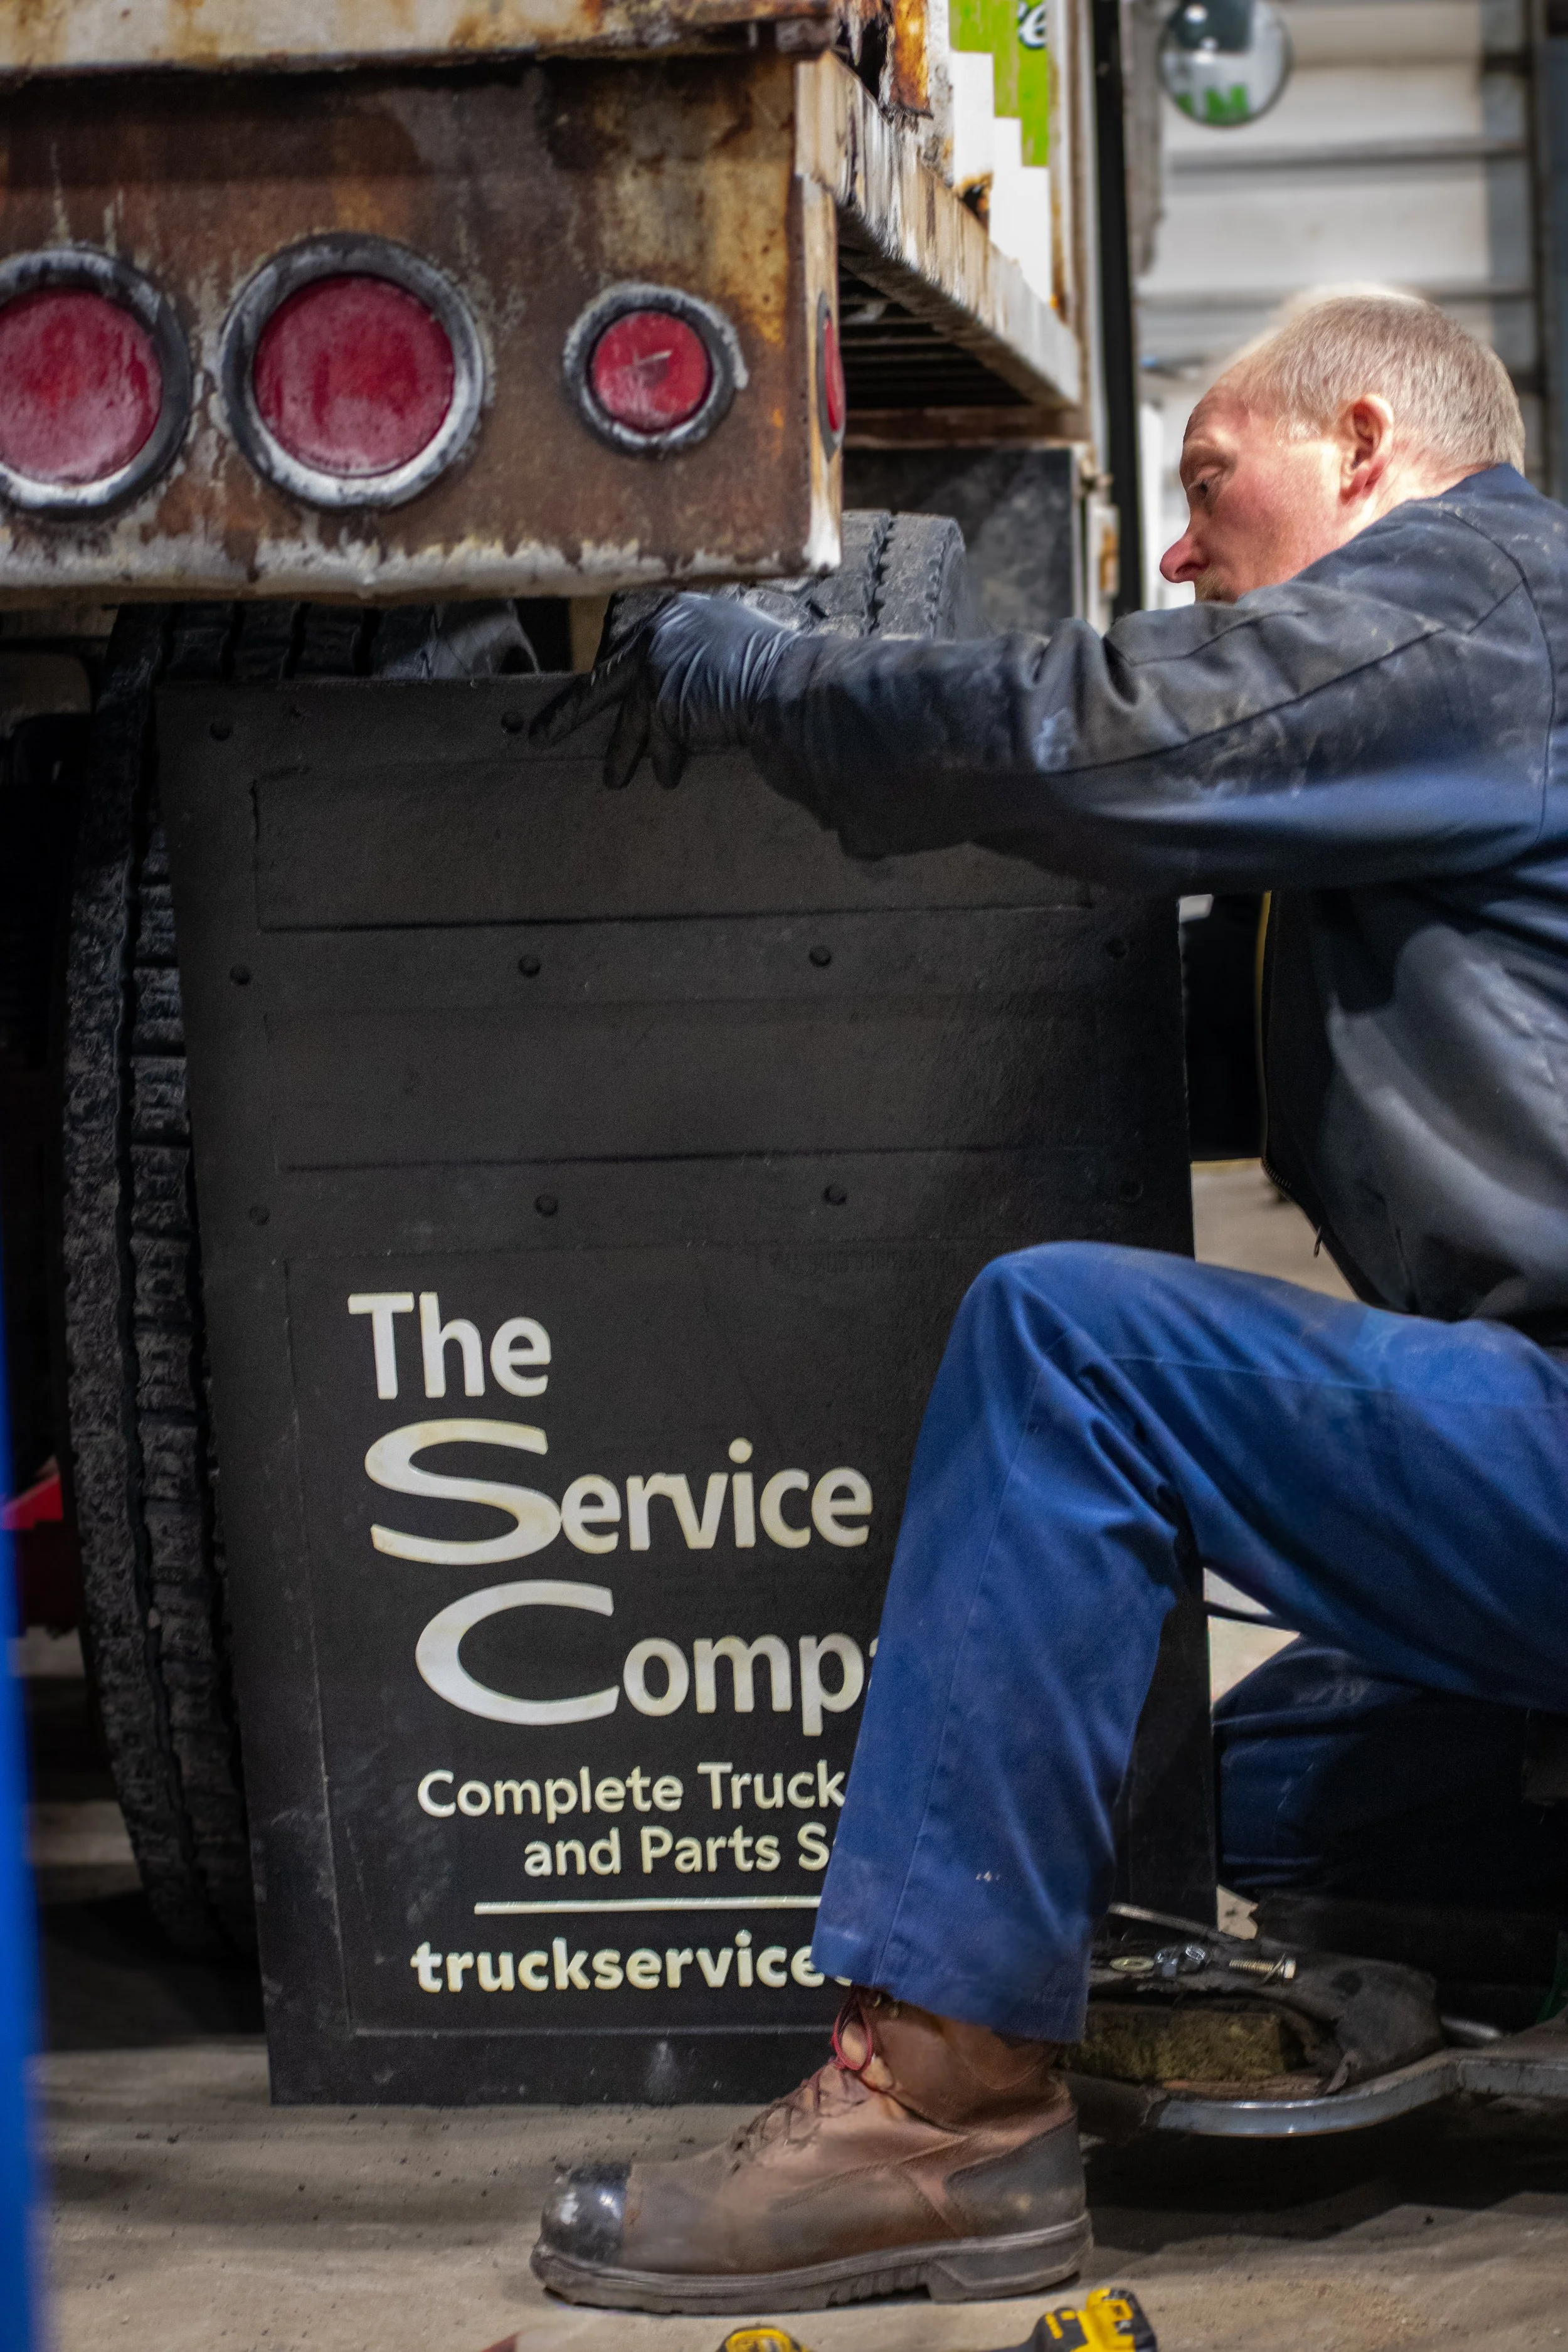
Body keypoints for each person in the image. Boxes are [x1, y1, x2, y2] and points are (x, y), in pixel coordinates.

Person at [529, 290, 1568, 2312]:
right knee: (1226, 1808)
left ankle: (936, 2119)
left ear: (1363, 444)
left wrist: (770, 670)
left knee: (1069, 1343)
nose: (1179, 547)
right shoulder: (1456, 729)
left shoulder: (1482, 597)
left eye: (1207, 483)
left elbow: (1100, 723)